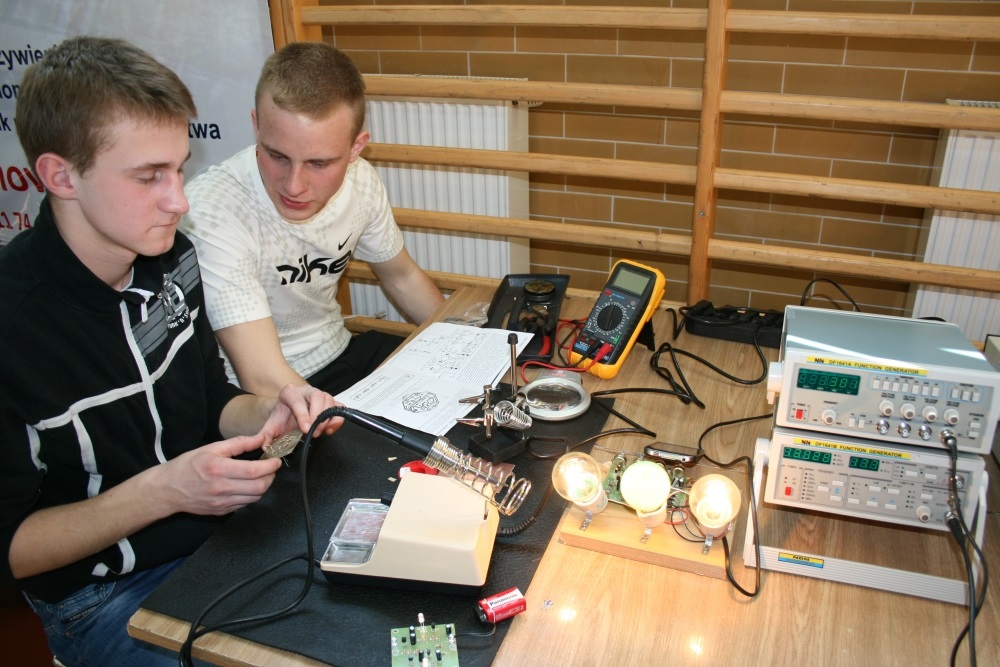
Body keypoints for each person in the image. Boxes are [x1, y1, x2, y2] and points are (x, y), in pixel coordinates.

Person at [0, 36, 341, 666]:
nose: (179, 200)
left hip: (219, 539)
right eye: (148, 176)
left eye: (179, 169)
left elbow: (211, 395)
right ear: (60, 175)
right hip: (100, 596)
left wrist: (268, 412)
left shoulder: (171, 257)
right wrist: (164, 492)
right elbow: (12, 550)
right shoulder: (14, 328)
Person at [181, 42, 444, 399]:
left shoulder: (360, 180)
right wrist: (339, 419)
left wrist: (465, 345)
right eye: (277, 156)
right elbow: (261, 375)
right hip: (257, 395)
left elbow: (402, 277)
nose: (294, 186)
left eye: (318, 164)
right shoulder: (212, 210)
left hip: (337, 352)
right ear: (256, 125)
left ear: (356, 148)